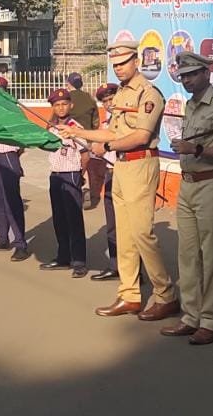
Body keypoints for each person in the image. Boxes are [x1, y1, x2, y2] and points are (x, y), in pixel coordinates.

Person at [60, 40, 178, 321]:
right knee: (124, 236)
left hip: (140, 164)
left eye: (123, 63)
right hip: (122, 168)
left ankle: (165, 294)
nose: (119, 69)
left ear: (136, 61)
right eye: (114, 64)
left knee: (142, 234)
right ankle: (129, 294)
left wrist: (108, 149)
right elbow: (111, 133)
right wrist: (77, 133)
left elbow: (140, 136)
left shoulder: (148, 94)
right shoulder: (122, 95)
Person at [162, 52, 213, 346]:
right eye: (183, 76)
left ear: (205, 73)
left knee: (212, 255)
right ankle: (190, 316)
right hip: (187, 185)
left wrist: (196, 149)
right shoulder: (189, 105)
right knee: (187, 255)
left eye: (191, 74)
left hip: (211, 184)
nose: (186, 80)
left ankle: (211, 319)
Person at [39, 88, 89, 278]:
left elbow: (85, 156)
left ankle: (79, 261)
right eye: (56, 105)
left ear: (71, 105)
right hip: (56, 175)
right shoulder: (51, 127)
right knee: (59, 218)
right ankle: (63, 257)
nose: (60, 108)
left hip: (71, 175)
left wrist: (80, 175)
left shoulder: (76, 128)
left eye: (64, 104)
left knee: (74, 219)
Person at [0, 76, 30, 261]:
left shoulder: (14, 109)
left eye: (0, 89)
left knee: (12, 201)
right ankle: (2, 237)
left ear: (5, 90)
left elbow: (24, 135)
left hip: (9, 154)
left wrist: (16, 156)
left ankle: (20, 243)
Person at [88, 83, 121, 281]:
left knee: (131, 228)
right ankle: (115, 265)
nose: (109, 104)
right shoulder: (106, 121)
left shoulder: (128, 118)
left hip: (126, 174)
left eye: (112, 99)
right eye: (105, 101)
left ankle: (135, 270)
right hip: (110, 173)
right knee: (112, 225)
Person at [65, 73, 100, 210]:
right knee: (83, 166)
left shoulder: (66, 99)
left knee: (68, 168)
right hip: (87, 139)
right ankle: (84, 191)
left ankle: (72, 194)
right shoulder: (89, 99)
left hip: (68, 138)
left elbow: (55, 120)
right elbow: (95, 121)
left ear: (69, 84)